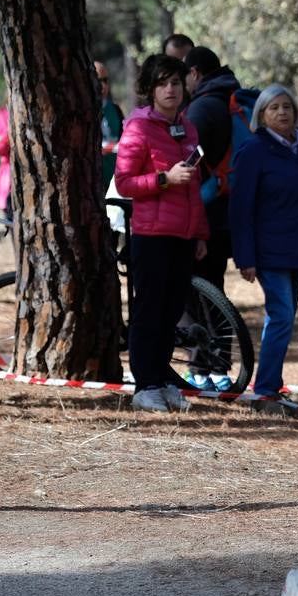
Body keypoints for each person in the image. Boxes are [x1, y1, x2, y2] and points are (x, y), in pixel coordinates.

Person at [114, 54, 209, 413]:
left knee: (170, 313)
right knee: (149, 311)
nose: (170, 89)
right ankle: (145, 384)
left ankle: (162, 378)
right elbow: (124, 183)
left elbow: (195, 184)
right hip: (151, 235)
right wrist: (164, 179)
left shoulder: (188, 128)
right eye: (162, 83)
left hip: (183, 236)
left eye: (175, 82)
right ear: (150, 89)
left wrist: (199, 233)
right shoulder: (138, 128)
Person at [229, 84, 298, 409]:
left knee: (284, 317)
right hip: (267, 250)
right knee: (281, 315)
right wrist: (245, 257)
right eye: (273, 108)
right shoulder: (253, 150)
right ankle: (265, 391)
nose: (282, 112)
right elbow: (240, 208)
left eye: (286, 106)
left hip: (297, 247)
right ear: (262, 115)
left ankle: (272, 386)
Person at [183, 46, 242, 293]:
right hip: (229, 202)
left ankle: (208, 332)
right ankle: (221, 331)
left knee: (201, 286)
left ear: (194, 73)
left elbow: (191, 158)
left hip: (206, 210)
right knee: (215, 281)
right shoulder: (229, 96)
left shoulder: (201, 107)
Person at [96, 61, 124, 195]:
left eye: (105, 80)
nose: (102, 85)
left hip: (115, 181)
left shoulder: (115, 110)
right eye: (97, 80)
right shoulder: (81, 113)